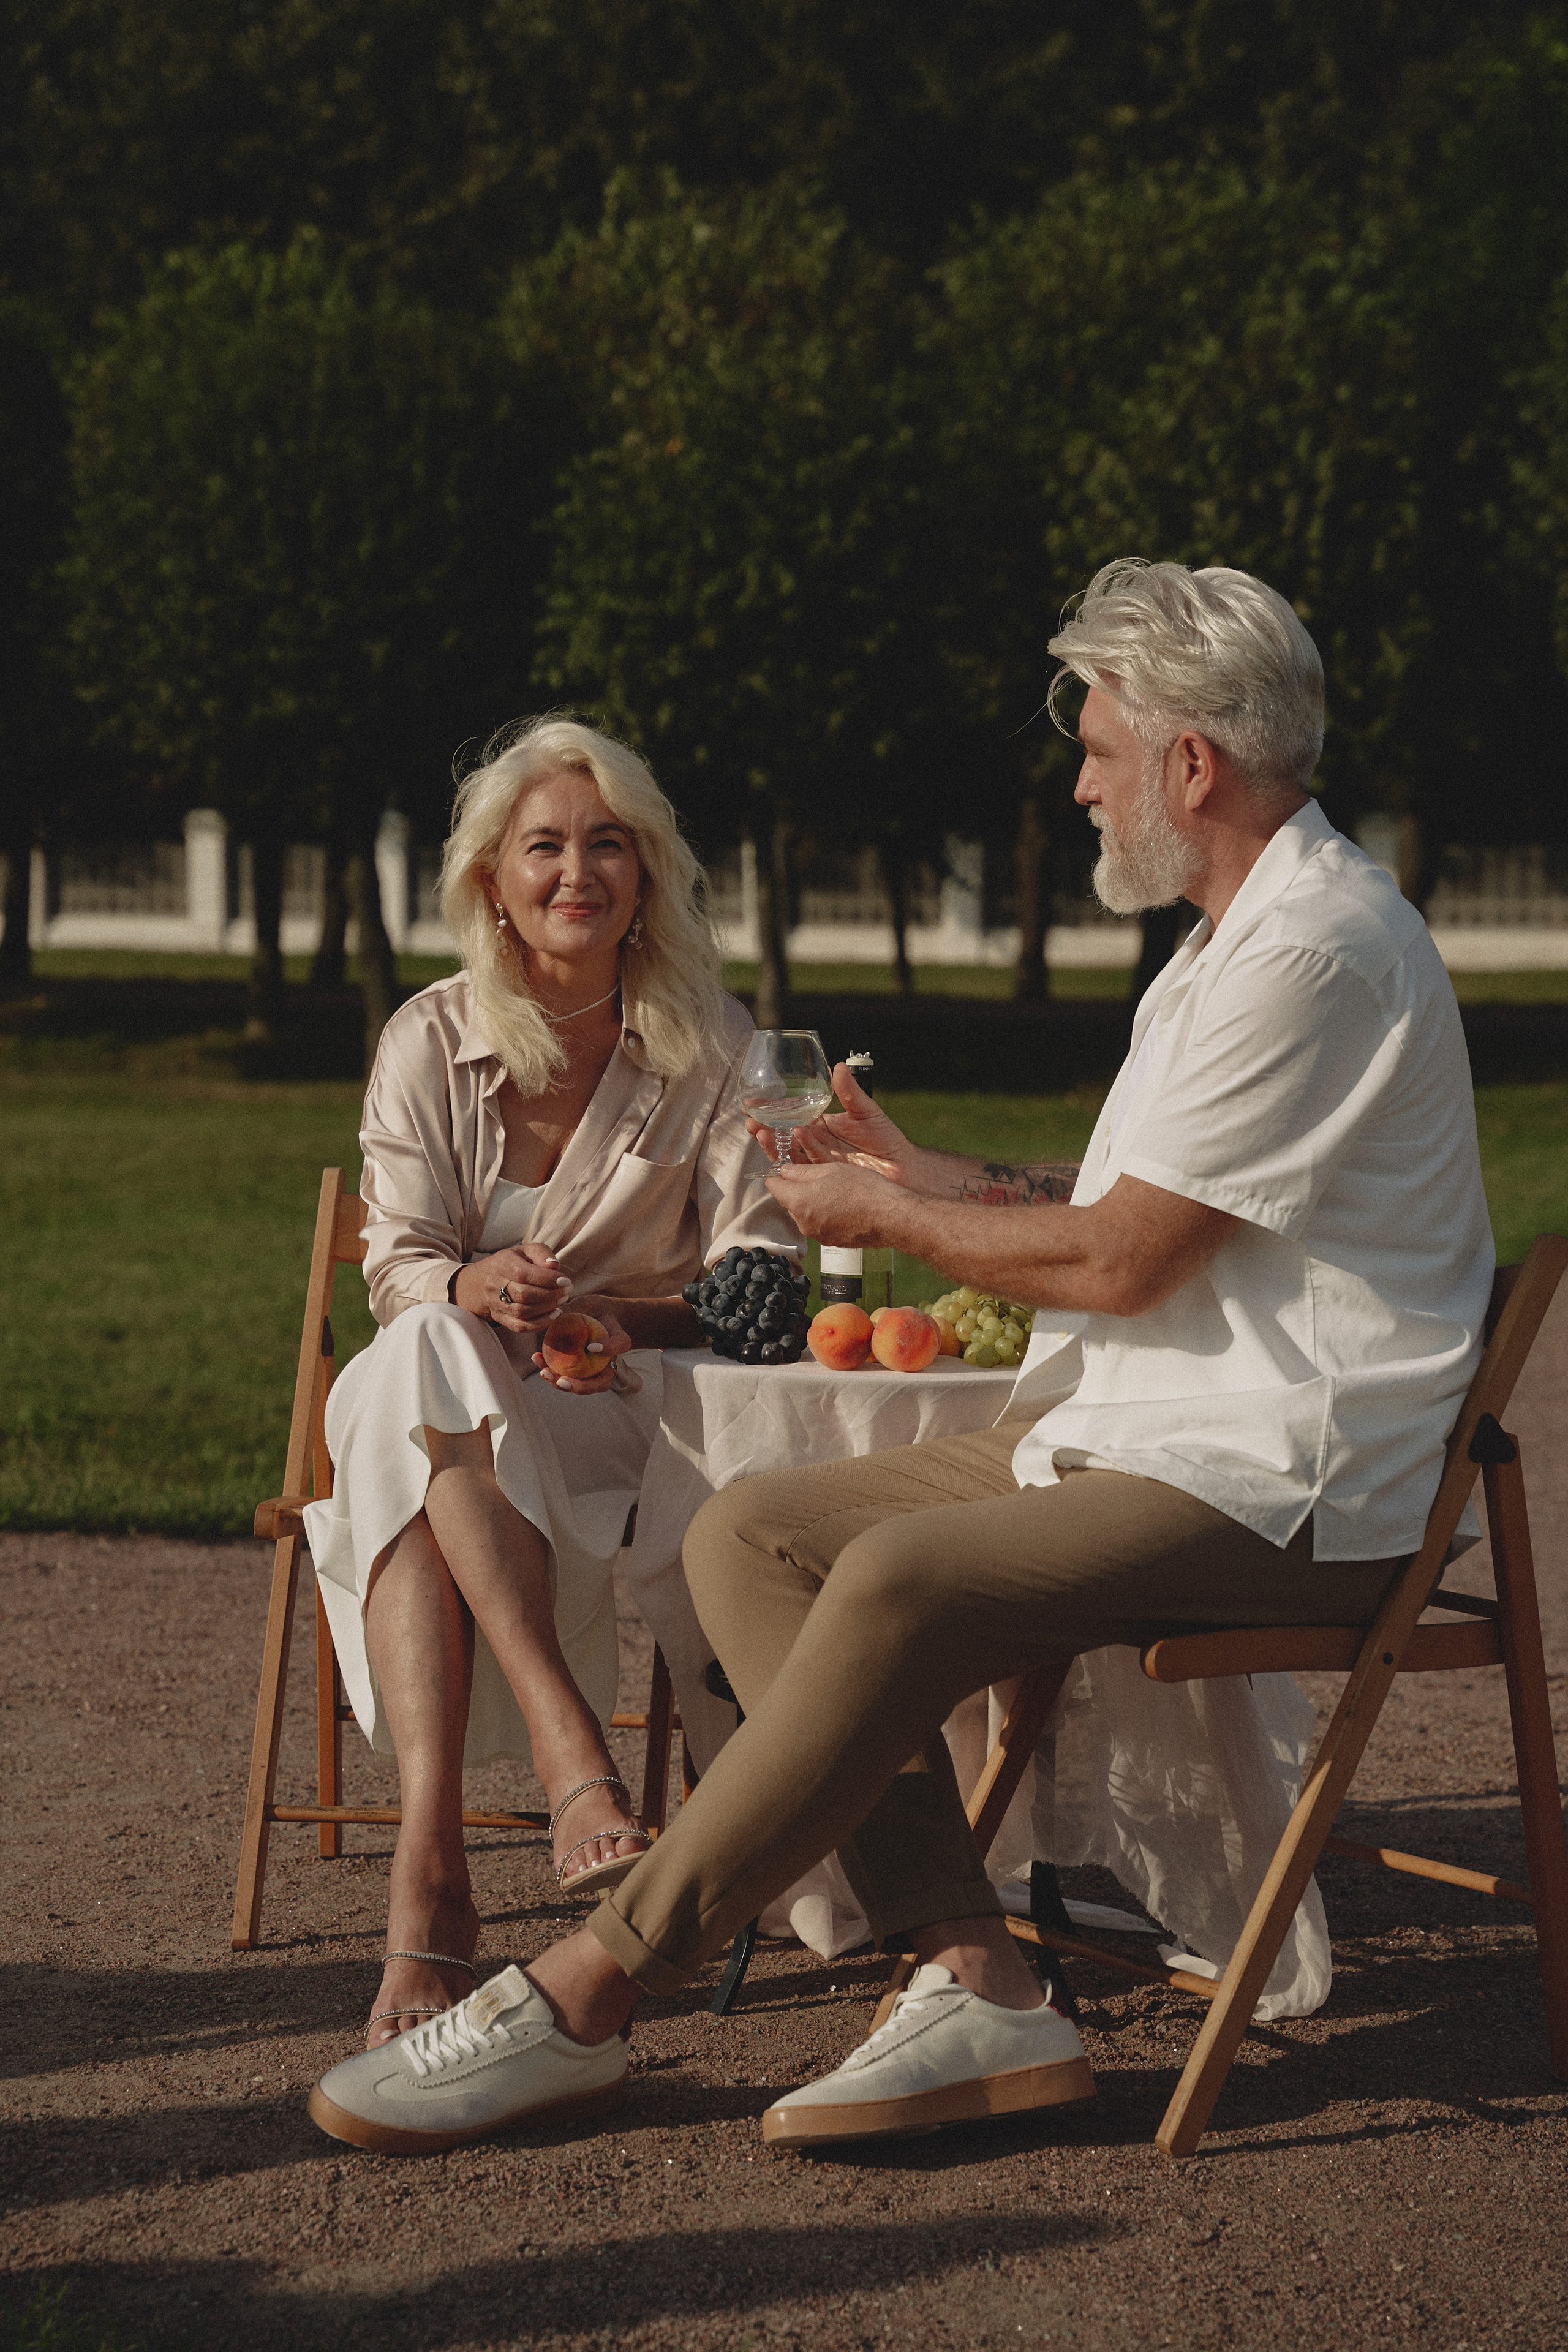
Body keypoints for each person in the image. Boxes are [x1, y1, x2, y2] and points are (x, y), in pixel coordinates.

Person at [307, 559, 1494, 2155]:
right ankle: (975, 1972)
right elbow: (1118, 1207)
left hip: (1278, 1473)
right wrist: (929, 1175)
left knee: (887, 1582)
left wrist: (883, 1215)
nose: (1079, 784)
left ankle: (590, 1988)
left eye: (1099, 747)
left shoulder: (1313, 955)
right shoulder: (1227, 949)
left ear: (1191, 767)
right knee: (756, 1530)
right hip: (1147, 1427)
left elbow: (1122, 1259)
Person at [301, 715, 800, 2051]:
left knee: (416, 1440)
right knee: (425, 1359)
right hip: (443, 1391)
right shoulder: (428, 1038)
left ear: (644, 871)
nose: (576, 871)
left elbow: (763, 1273)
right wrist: (470, 1289)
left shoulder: (710, 1041)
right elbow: (398, 1263)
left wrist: (614, 1314)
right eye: (544, 847)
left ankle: (434, 1878)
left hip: (617, 1415)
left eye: (606, 844)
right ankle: (569, 1758)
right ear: (491, 880)